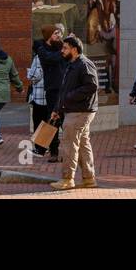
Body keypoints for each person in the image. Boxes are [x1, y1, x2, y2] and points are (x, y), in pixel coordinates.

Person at [49, 35, 99, 191]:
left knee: (69, 144)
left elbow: (92, 86)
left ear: (74, 49)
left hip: (80, 111)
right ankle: (89, 179)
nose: (62, 51)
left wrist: (69, 98)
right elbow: (65, 90)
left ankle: (67, 179)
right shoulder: (72, 64)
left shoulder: (84, 64)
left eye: (65, 48)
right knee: (83, 144)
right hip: (74, 110)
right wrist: (58, 109)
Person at [31, 27, 66, 162]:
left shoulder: (61, 47)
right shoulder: (42, 50)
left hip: (64, 88)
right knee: (52, 119)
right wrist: (63, 50)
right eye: (55, 33)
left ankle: (44, 148)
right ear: (48, 36)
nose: (58, 35)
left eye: (59, 33)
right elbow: (51, 59)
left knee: (62, 121)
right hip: (52, 89)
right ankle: (51, 151)